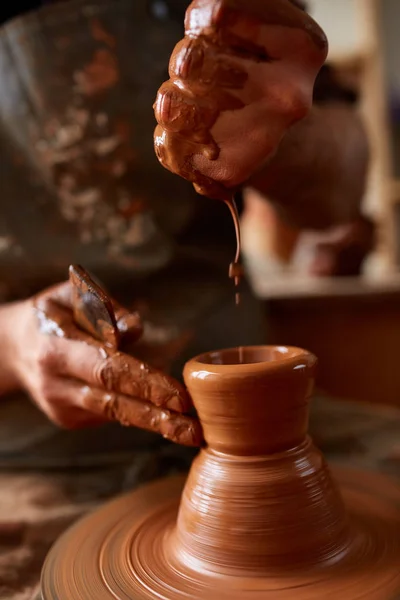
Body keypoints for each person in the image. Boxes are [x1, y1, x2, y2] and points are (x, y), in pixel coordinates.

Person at [0, 0, 372, 597]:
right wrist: (15, 344)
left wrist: (285, 137)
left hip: (276, 434)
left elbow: (343, 191)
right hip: (39, 455)